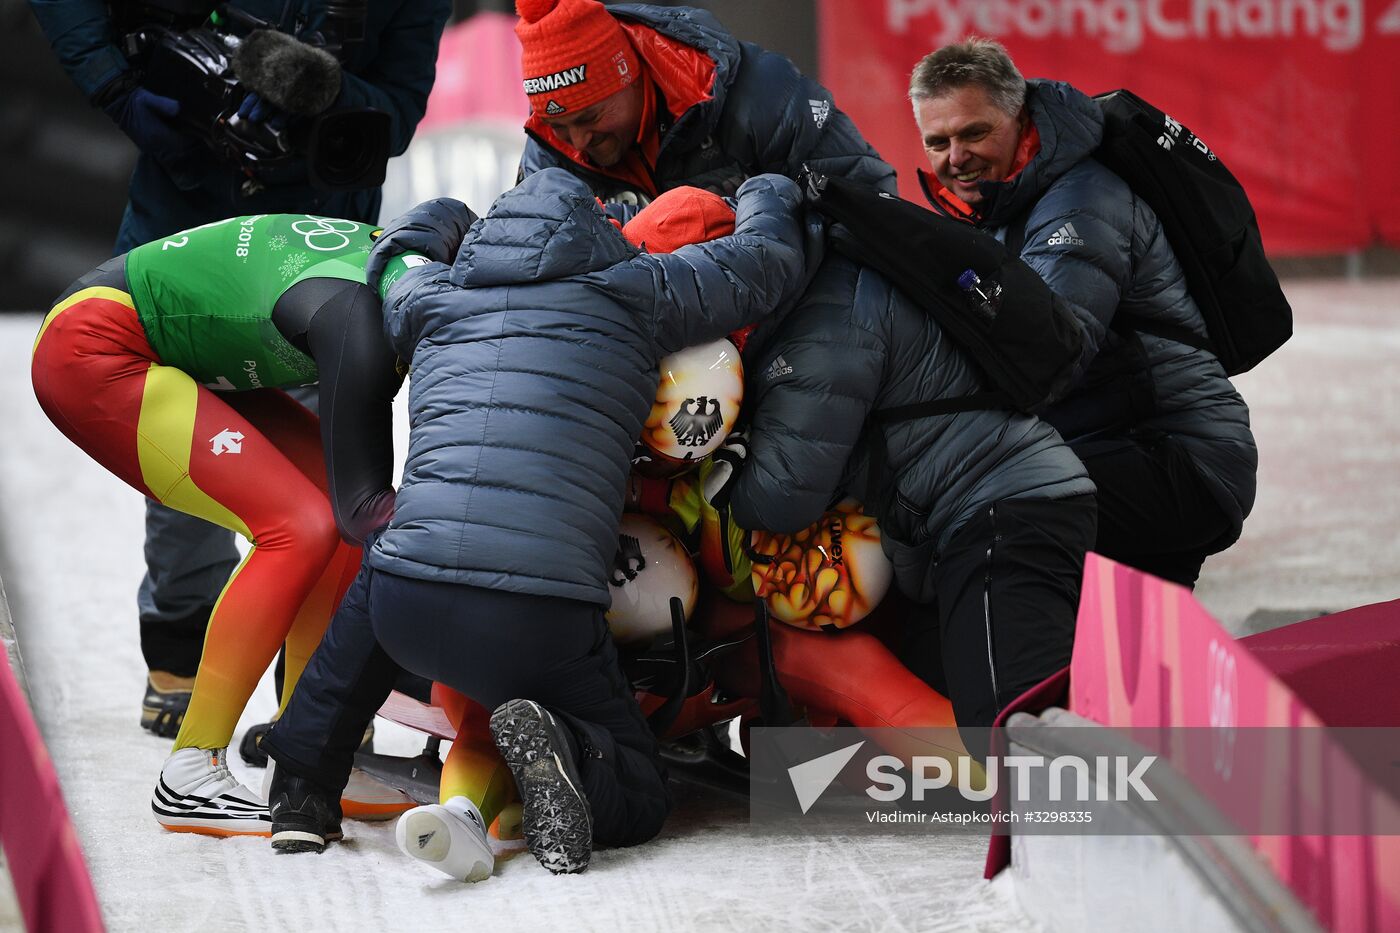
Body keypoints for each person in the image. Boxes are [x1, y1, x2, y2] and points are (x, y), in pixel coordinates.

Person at [257, 168, 808, 879]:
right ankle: (576, 755)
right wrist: (770, 188)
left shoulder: (436, 297)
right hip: (536, 619)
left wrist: (443, 217)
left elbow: (393, 261)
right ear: (600, 234)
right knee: (642, 789)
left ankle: (301, 791)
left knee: (382, 582)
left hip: (407, 600)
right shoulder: (641, 293)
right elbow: (767, 267)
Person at [28, 0, 451, 734]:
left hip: (324, 240)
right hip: (184, 219)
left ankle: (313, 689)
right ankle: (183, 645)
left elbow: (399, 111)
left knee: (327, 475)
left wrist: (317, 90)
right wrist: (115, 86)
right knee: (193, 462)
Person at [31, 213, 406, 835]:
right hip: (93, 347)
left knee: (336, 523)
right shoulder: (361, 315)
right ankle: (191, 769)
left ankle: (306, 761)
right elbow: (372, 496)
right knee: (304, 524)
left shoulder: (400, 282)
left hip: (177, 345)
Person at [907, 38, 1257, 588]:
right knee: (1132, 660)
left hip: (1176, 459)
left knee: (986, 505)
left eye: (974, 132)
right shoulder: (1005, 207)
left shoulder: (1083, 200)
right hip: (1112, 447)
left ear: (1020, 119)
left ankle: (1019, 676)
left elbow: (1046, 357)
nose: (955, 157)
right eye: (938, 141)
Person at [725, 240, 1098, 755]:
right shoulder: (831, 286)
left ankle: (1142, 808)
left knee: (1008, 717)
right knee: (964, 702)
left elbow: (786, 493)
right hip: (968, 520)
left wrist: (720, 472)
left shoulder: (825, 322)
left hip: (1001, 508)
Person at [512, 0, 895, 204]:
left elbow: (868, 207)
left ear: (631, 77)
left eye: (590, 117)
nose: (578, 144)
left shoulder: (762, 98)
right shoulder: (548, 150)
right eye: (561, 126)